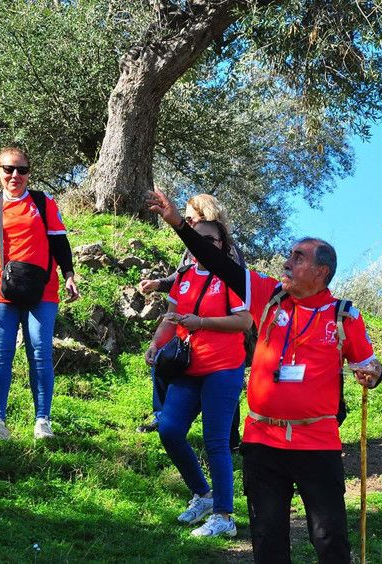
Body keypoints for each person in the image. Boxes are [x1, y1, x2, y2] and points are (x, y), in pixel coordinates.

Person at [148, 187, 382, 563]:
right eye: (289, 255)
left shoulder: (344, 316)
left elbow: (369, 364)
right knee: (267, 540)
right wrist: (178, 222)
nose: (286, 262)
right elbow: (217, 261)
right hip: (262, 441)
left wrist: (373, 373)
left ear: (321, 272)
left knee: (329, 538)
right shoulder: (267, 296)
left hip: (317, 443)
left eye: (298, 258)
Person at [145, 219, 252, 538]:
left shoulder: (232, 277)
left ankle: (224, 515)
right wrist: (156, 343)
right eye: (197, 238)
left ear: (222, 245)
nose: (202, 244)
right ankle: (203, 495)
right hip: (189, 367)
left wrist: (201, 322)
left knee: (216, 441)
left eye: (210, 239)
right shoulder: (184, 276)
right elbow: (171, 317)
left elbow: (244, 321)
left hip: (223, 368)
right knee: (169, 429)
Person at [0, 147, 79, 441]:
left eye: (22, 170)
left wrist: (69, 275)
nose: (15, 175)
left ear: (28, 173)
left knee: (40, 353)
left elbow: (59, 242)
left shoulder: (42, 202)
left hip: (42, 288)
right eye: (8, 169)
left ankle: (42, 421)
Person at [137, 193, 247, 447]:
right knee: (163, 360)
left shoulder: (228, 251)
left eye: (189, 218)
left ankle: (229, 437)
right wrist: (158, 284)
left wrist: (204, 321)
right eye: (185, 219)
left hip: (221, 335)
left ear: (205, 215)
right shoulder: (190, 249)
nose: (186, 222)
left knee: (223, 386)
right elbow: (182, 277)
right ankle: (162, 417)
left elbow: (239, 292)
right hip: (188, 331)